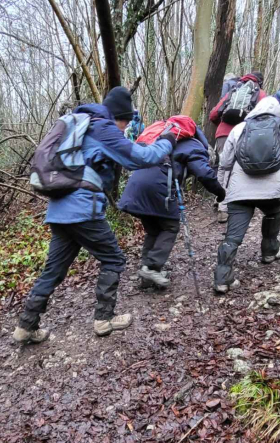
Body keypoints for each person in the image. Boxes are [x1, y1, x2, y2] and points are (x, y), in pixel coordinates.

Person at [12, 86, 177, 344]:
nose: (124, 130)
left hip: (59, 211)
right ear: (121, 117)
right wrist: (168, 140)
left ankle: (26, 326)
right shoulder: (104, 128)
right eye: (126, 123)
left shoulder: (83, 125)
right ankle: (104, 319)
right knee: (113, 259)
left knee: (53, 271)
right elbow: (139, 158)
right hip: (82, 210)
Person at [213, 97, 280, 293]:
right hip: (273, 190)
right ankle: (269, 251)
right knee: (272, 213)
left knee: (233, 235)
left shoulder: (239, 128)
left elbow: (226, 162)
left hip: (239, 191)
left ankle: (222, 278)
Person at [118, 120, 225, 288]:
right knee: (170, 226)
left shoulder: (161, 139)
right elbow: (204, 173)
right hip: (158, 188)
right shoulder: (193, 145)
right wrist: (221, 193)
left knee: (154, 230)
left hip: (135, 187)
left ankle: (147, 273)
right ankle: (152, 267)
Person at [208, 72, 266, 223]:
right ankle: (236, 203)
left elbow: (214, 114)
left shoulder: (232, 92)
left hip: (224, 134)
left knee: (223, 167)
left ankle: (221, 204)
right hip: (245, 134)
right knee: (239, 168)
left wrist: (222, 124)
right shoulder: (261, 95)